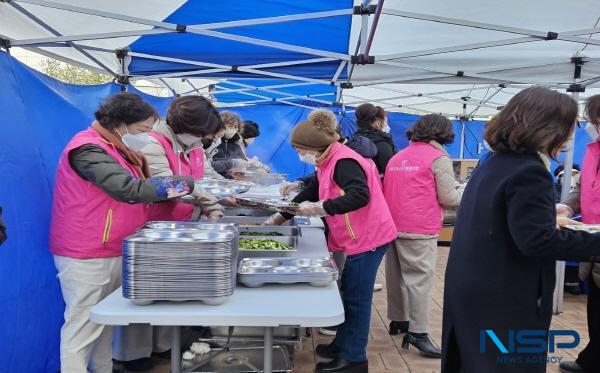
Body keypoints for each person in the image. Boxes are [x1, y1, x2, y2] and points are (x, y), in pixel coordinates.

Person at [49, 92, 213, 373]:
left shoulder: (117, 149)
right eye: (143, 129)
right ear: (121, 124)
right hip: (87, 250)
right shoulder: (87, 149)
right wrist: (183, 184)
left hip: (113, 245)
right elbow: (127, 190)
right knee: (81, 327)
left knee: (104, 324)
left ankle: (102, 369)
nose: (147, 135)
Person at [441, 86, 600, 373]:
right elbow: (538, 241)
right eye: (566, 128)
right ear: (546, 127)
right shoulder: (529, 171)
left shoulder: (494, 163)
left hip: (474, 287)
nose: (568, 137)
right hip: (504, 295)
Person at [269, 109, 397, 373]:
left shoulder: (345, 161)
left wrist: (320, 208)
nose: (300, 155)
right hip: (354, 235)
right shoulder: (328, 159)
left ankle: (354, 358)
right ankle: (342, 343)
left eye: (299, 150)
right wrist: (278, 218)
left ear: (314, 146)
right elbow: (313, 189)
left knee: (357, 297)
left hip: (368, 236)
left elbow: (360, 196)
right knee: (348, 292)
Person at [112, 96, 225, 371]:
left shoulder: (195, 145)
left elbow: (206, 179)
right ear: (184, 126)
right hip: (155, 228)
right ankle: (132, 356)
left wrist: (222, 197)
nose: (202, 139)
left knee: (170, 291)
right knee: (145, 293)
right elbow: (163, 185)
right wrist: (207, 201)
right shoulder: (153, 142)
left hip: (184, 227)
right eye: (200, 133)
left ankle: (164, 345)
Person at [384, 114, 462, 358]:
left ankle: (399, 320)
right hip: (419, 227)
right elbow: (449, 197)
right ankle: (418, 333)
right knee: (418, 282)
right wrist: (470, 194)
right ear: (443, 133)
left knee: (395, 276)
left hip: (392, 225)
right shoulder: (438, 158)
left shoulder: (398, 157)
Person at [557, 94, 600, 373]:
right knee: (595, 310)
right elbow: (583, 187)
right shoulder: (593, 150)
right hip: (593, 244)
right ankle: (591, 360)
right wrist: (567, 207)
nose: (593, 126)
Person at [355, 103, 397, 177]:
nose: (386, 125)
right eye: (385, 122)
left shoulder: (353, 142)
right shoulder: (382, 145)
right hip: (378, 186)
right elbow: (392, 174)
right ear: (378, 124)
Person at [213, 112, 248, 178]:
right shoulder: (214, 141)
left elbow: (243, 161)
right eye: (229, 126)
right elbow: (211, 164)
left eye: (236, 127)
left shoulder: (235, 143)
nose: (233, 130)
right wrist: (232, 164)